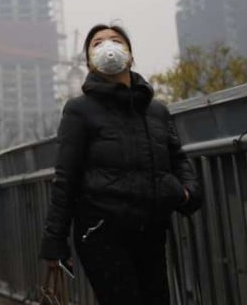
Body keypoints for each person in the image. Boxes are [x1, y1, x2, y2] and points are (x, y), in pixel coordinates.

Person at [39, 24, 202, 305]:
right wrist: (55, 242)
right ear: (89, 61)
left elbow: (178, 158)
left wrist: (187, 193)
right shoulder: (79, 110)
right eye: (97, 43)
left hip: (151, 230)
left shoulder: (156, 111)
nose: (108, 46)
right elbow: (66, 178)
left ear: (130, 54)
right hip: (101, 232)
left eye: (116, 40)